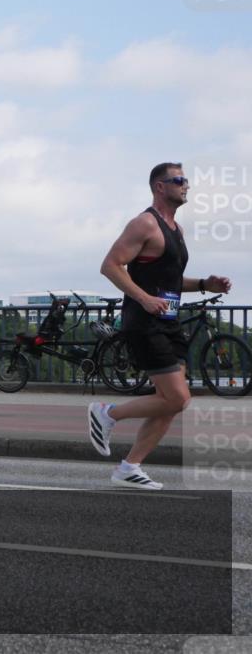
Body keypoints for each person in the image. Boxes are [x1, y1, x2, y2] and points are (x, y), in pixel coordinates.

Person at [89, 163, 232, 490]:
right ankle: (107, 412)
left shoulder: (175, 230)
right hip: (145, 322)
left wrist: (204, 284)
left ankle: (130, 466)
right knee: (178, 397)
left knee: (170, 400)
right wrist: (143, 299)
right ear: (159, 187)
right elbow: (110, 266)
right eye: (179, 181)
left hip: (168, 322)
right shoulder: (144, 224)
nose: (186, 186)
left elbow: (169, 281)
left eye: (186, 181)